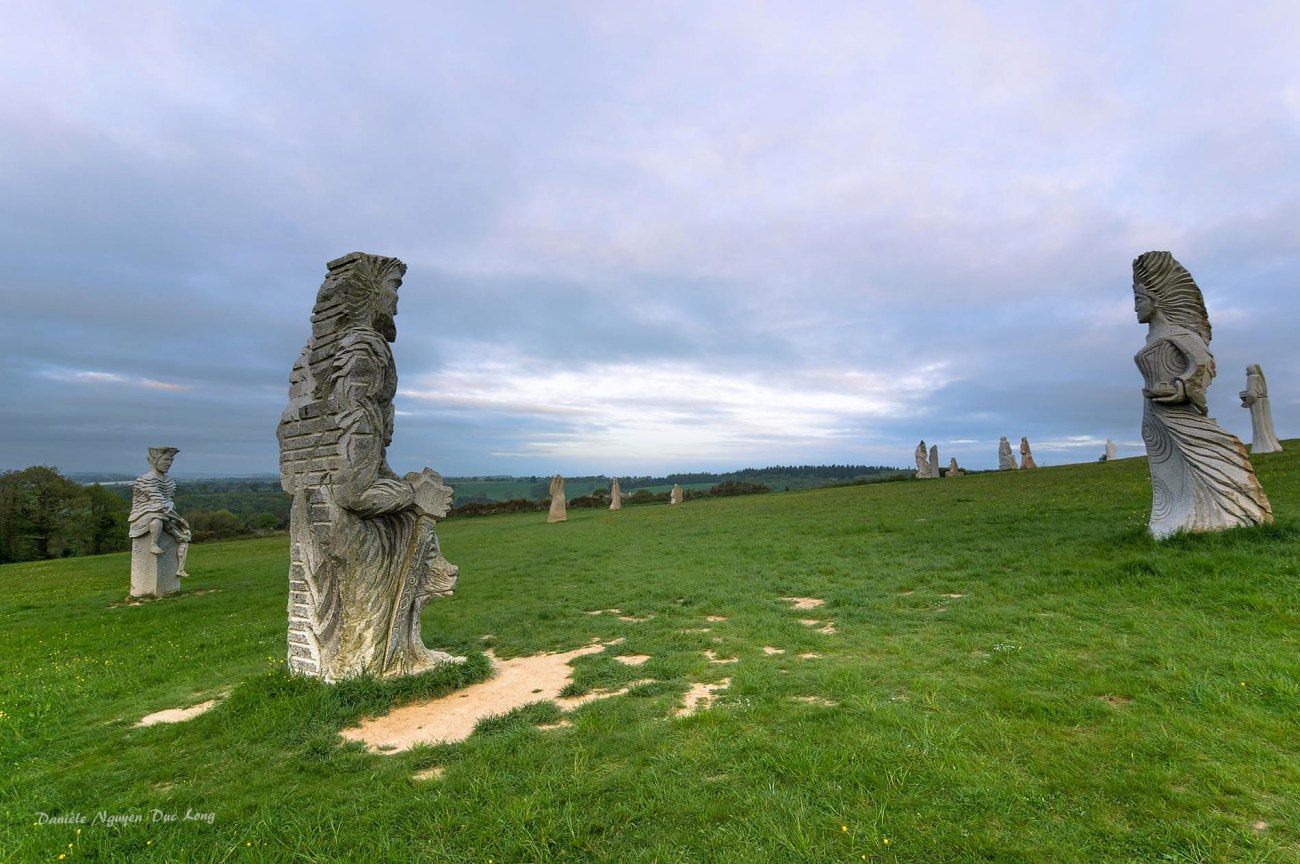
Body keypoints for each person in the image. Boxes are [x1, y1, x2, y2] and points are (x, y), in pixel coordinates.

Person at [1132, 251, 1271, 538]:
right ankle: (1172, 521)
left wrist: (1181, 387)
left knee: (1208, 460)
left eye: (1139, 300)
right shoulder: (1154, 338)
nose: (1135, 308)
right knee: (1166, 470)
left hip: (1178, 412)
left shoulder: (1179, 334)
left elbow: (1203, 364)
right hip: (1155, 417)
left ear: (1156, 301)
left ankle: (1227, 515)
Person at [129, 447, 191, 576]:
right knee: (157, 517)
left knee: (185, 536)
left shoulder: (170, 481)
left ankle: (180, 569)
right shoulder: (144, 480)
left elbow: (168, 502)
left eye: (171, 460)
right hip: (143, 514)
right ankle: (154, 544)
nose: (169, 463)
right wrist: (179, 519)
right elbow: (159, 504)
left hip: (166, 514)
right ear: (154, 460)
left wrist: (179, 521)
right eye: (166, 459)